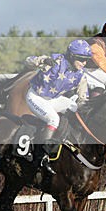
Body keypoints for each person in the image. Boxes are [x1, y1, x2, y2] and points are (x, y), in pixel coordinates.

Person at [25, 39, 92, 171]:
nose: (84, 63)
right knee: (53, 119)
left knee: (74, 107)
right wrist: (42, 61)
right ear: (72, 56)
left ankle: (65, 141)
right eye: (81, 59)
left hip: (53, 99)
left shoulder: (81, 75)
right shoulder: (55, 63)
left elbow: (83, 100)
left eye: (86, 60)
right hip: (35, 97)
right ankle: (41, 156)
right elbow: (28, 61)